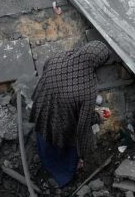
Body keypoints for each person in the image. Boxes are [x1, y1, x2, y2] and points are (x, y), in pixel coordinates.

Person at [31, 41, 110, 187]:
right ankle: (63, 176)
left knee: (45, 141)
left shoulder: (57, 58)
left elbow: (45, 70)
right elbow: (83, 123)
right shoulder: (87, 88)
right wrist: (98, 116)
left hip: (42, 110)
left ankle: (45, 161)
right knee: (64, 147)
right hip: (62, 124)